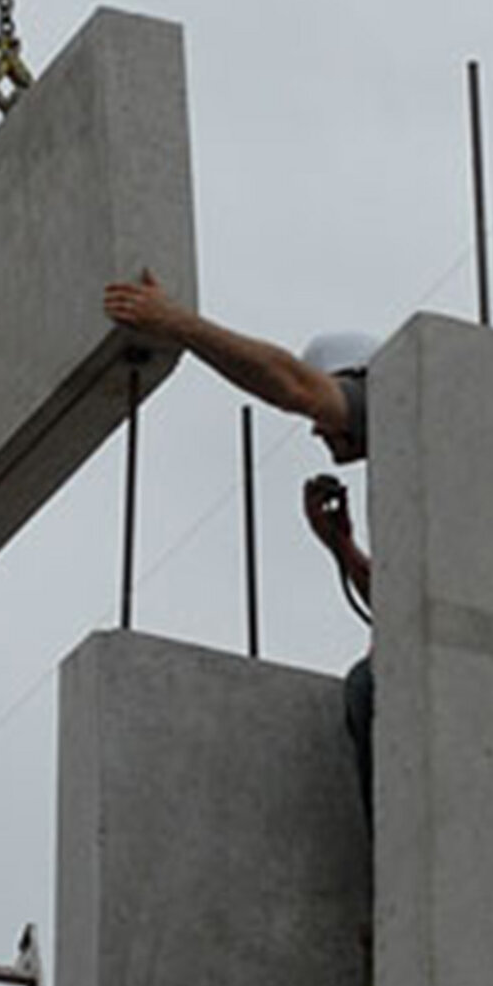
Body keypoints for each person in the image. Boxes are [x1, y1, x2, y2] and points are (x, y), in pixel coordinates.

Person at [104, 272, 381, 806]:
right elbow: (401, 610)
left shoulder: (385, 400)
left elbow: (296, 388)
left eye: (328, 414)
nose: (318, 429)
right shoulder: (405, 479)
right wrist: (341, 546)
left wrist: (177, 323)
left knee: (371, 686)